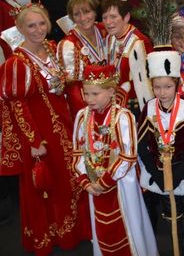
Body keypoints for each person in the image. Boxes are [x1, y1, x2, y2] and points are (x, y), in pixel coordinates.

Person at [0, 4, 91, 254]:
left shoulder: (52, 48)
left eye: (41, 24)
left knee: (69, 181)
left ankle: (74, 231)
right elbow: (18, 107)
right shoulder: (16, 63)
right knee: (47, 186)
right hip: (42, 135)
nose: (38, 30)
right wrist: (33, 142)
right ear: (20, 28)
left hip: (64, 126)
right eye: (31, 26)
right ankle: (51, 236)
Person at [72, 64, 158, 256]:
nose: (89, 99)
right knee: (102, 229)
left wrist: (105, 182)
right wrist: (85, 182)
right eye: (86, 94)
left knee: (128, 224)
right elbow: (77, 152)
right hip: (93, 185)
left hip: (120, 185)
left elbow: (128, 155)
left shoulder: (123, 117)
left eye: (95, 94)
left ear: (111, 91)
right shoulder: (82, 116)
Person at [137, 45, 184, 255]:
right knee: (170, 214)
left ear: (176, 84)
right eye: (157, 87)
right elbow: (141, 144)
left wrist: (177, 174)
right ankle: (176, 249)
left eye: (167, 87)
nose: (162, 92)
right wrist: (155, 174)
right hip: (159, 174)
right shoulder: (149, 108)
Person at [102, 0, 153, 113]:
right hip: (114, 104)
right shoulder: (110, 38)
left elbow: (147, 83)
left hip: (135, 107)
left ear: (126, 17)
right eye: (105, 17)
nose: (108, 22)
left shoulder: (139, 42)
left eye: (113, 17)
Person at [58, 0, 107, 116]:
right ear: (71, 17)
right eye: (77, 14)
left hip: (114, 95)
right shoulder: (68, 45)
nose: (83, 18)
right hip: (88, 103)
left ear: (95, 11)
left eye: (87, 11)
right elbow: (73, 87)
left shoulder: (106, 30)